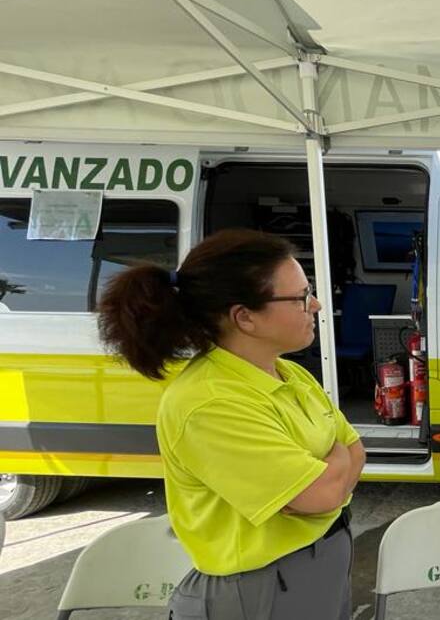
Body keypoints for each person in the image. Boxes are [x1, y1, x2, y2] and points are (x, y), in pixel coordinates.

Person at [97, 229, 363, 619]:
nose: (316, 305)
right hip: (261, 589)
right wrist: (333, 469)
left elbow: (355, 452)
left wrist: (329, 476)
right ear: (245, 317)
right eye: (301, 297)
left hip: (318, 562)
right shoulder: (209, 402)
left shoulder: (288, 373)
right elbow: (323, 493)